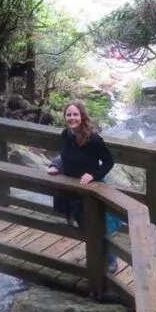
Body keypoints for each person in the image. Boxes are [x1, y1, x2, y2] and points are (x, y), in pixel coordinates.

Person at [47, 101, 123, 273]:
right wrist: (56, 165)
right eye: (69, 115)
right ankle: (96, 256)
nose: (72, 118)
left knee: (101, 225)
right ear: (65, 117)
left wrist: (93, 175)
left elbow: (109, 161)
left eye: (75, 114)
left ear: (82, 116)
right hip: (73, 188)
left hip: (91, 188)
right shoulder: (65, 134)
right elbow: (65, 156)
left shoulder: (93, 139)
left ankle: (111, 260)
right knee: (84, 224)